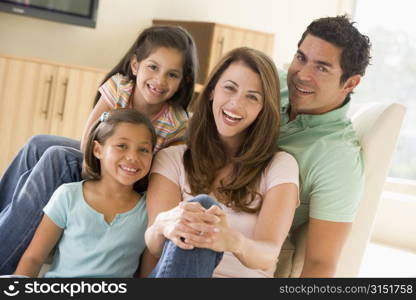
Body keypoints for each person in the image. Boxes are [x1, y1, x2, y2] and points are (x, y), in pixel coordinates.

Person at [0, 24, 198, 274]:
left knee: (56, 157)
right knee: (37, 144)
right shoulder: (120, 87)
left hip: (130, 175)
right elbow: (89, 135)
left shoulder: (177, 122)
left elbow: (160, 169)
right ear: (136, 66)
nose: (160, 80)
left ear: (183, 81)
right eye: (153, 68)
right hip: (95, 159)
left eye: (172, 74)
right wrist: (93, 165)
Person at [144, 47, 300, 277]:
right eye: (229, 88)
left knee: (204, 210)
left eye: (252, 96)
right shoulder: (173, 158)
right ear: (212, 91)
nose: (236, 104)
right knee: (202, 208)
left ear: (263, 108)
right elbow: (154, 246)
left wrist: (233, 241)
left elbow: (269, 253)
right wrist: (164, 224)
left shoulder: (280, 166)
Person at [276, 15, 372, 277]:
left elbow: (320, 263)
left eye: (322, 68)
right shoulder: (271, 83)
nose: (301, 76)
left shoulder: (337, 158)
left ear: (350, 83)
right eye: (301, 58)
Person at [12, 109, 156, 278]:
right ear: (98, 150)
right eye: (122, 146)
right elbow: (34, 258)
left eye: (144, 150)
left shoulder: (149, 209)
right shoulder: (68, 196)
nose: (133, 157)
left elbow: (147, 274)